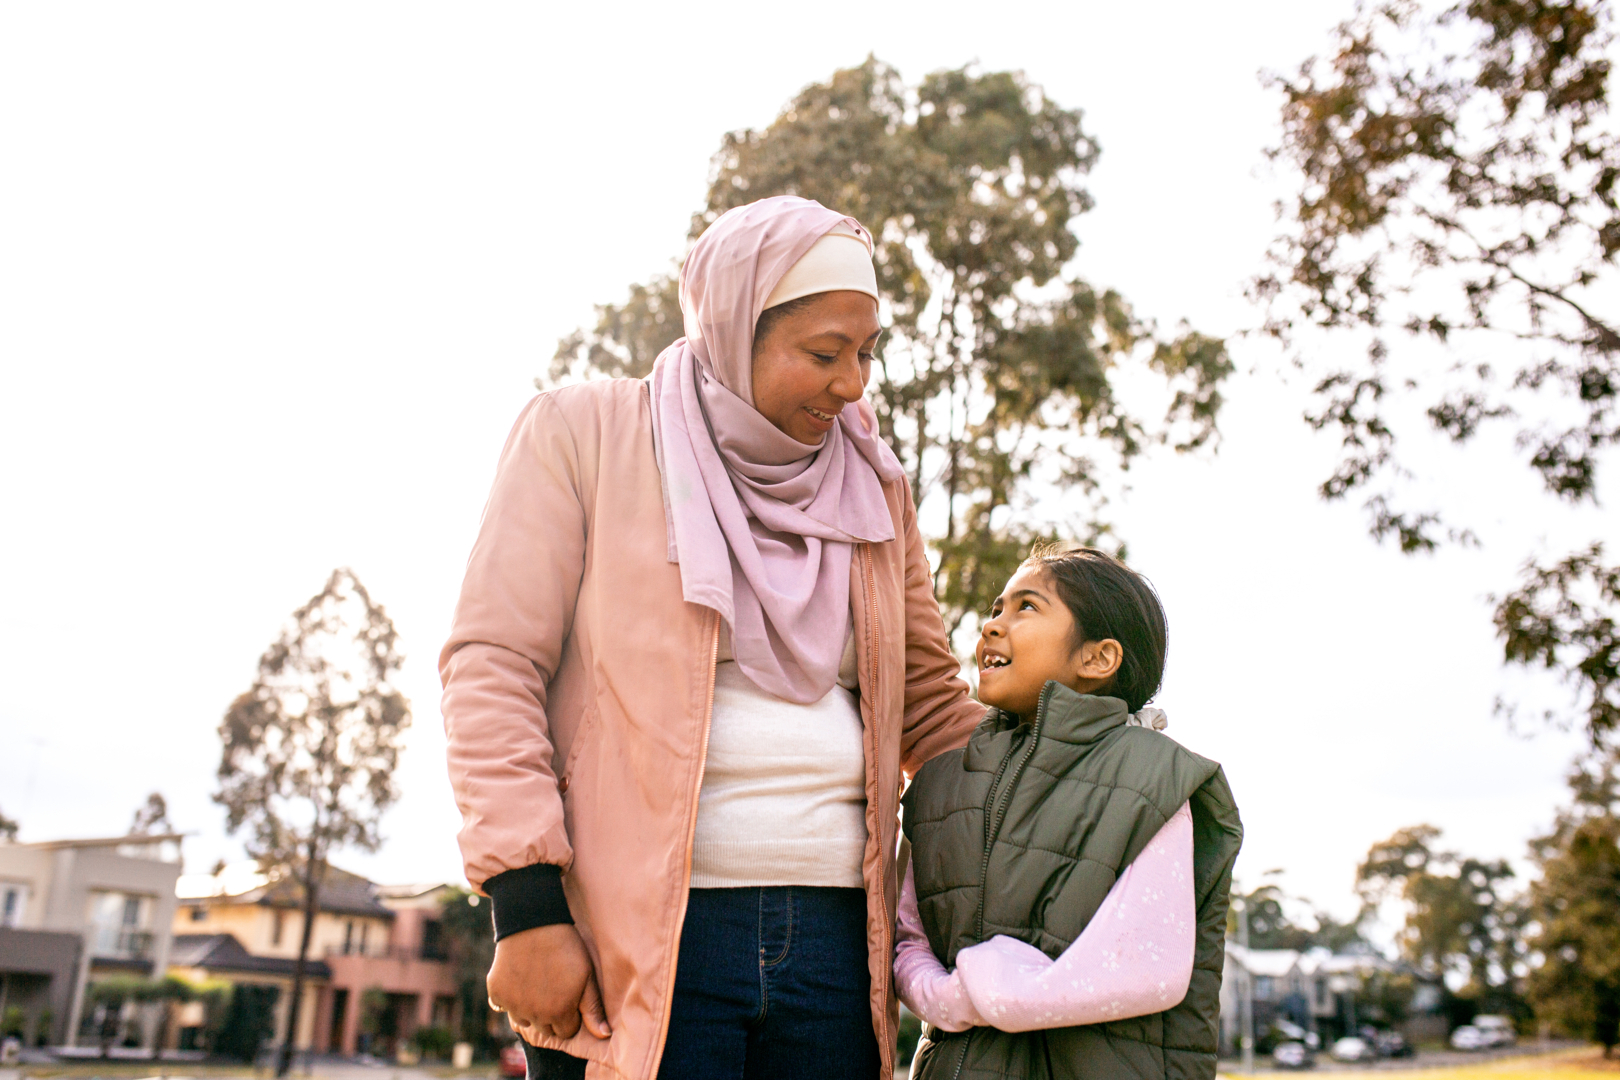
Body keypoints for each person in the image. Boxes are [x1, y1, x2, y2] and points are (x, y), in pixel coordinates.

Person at [440, 195, 984, 1080]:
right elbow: (493, 667)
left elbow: (928, 705)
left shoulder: (872, 482)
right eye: (824, 354)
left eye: (865, 353)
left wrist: (1089, 781)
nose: (853, 385)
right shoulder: (583, 436)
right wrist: (526, 906)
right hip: (637, 939)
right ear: (733, 329)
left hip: (839, 948)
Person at [897, 547, 1243, 1080]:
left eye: (1026, 607)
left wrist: (985, 989)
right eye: (996, 609)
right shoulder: (939, 783)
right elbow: (909, 942)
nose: (992, 625)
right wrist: (947, 999)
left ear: (1098, 658)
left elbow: (1150, 965)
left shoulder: (1153, 776)